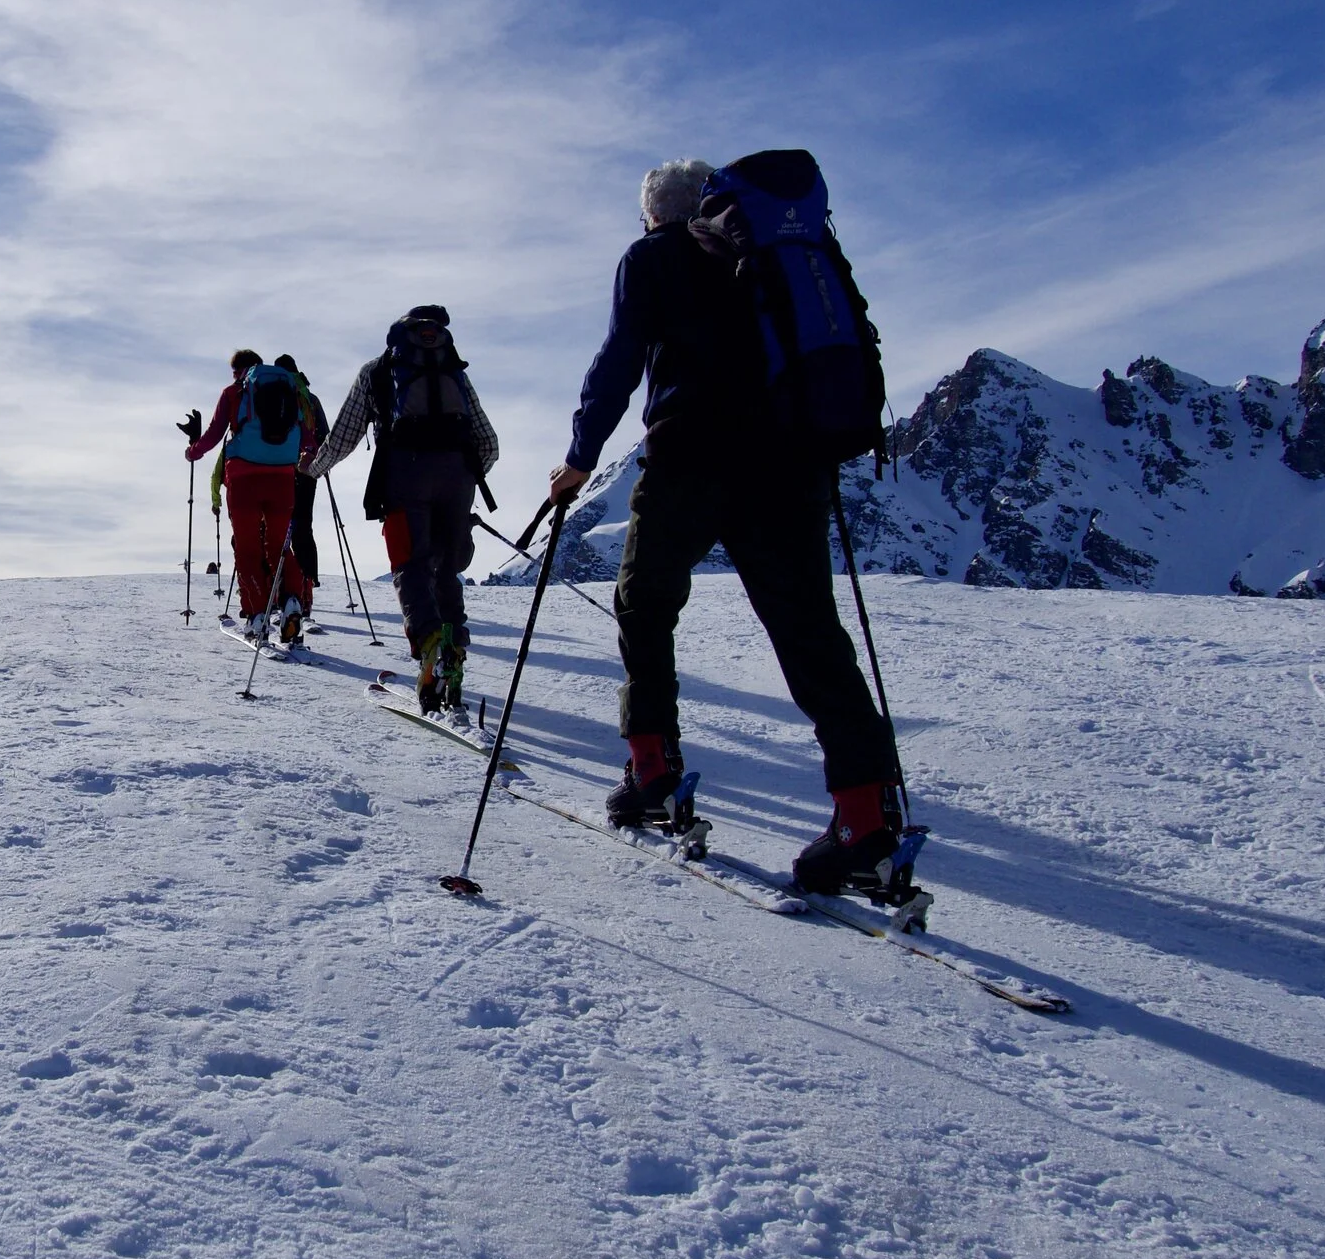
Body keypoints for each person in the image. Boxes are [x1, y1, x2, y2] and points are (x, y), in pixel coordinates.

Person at [547, 158, 903, 895]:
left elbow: (618, 359)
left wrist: (580, 459)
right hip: (791, 462)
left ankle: (651, 772)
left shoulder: (652, 255)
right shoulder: (777, 251)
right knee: (810, 634)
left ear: (653, 213)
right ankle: (863, 817)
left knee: (645, 606)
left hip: (692, 458)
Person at [307, 305, 499, 712]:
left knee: (410, 565)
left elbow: (344, 434)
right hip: (458, 477)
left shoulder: (377, 371)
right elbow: (488, 441)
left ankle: (428, 644)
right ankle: (453, 654)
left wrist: (312, 469)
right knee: (447, 568)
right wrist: (465, 478)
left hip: (404, 476)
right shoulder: (454, 370)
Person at [184, 351, 314, 642]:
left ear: (239, 370)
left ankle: (257, 617)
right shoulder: (286, 391)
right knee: (281, 545)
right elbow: (307, 438)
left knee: (247, 549)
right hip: (283, 478)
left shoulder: (234, 393)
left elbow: (215, 433)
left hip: (244, 479)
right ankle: (292, 600)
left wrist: (193, 451)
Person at [275, 354, 329, 615]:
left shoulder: (273, 392)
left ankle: (280, 590)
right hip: (309, 468)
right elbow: (325, 434)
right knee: (303, 526)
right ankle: (307, 586)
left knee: (276, 527)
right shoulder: (310, 398)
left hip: (279, 467)